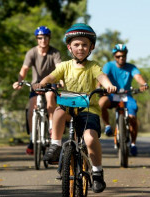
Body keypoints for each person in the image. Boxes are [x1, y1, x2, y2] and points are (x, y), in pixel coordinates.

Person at [37, 23, 116, 193]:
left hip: (89, 110)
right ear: (69, 47)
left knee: (89, 138)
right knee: (58, 112)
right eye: (76, 44)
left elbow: (101, 76)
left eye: (84, 45)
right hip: (68, 107)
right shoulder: (64, 66)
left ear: (91, 47)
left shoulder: (92, 66)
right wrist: (41, 83)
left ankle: (97, 172)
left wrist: (108, 85)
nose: (80, 48)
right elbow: (51, 76)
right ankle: (56, 145)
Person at [13, 26, 61, 155]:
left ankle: (51, 127)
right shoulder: (32, 52)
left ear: (49, 38)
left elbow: (59, 68)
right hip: (36, 85)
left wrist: (61, 81)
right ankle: (32, 139)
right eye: (40, 38)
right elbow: (24, 69)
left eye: (45, 37)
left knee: (50, 98)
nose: (43, 40)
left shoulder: (55, 53)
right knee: (31, 108)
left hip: (50, 85)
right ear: (37, 39)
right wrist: (19, 81)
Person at [98, 44, 148, 156]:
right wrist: (99, 87)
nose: (121, 58)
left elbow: (138, 77)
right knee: (101, 103)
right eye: (118, 56)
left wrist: (143, 84)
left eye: (123, 56)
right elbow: (102, 77)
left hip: (126, 95)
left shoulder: (131, 67)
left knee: (132, 118)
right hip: (112, 95)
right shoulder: (109, 66)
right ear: (114, 56)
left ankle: (133, 144)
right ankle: (107, 126)